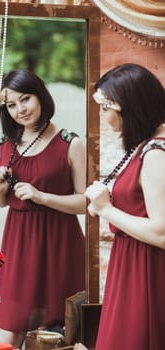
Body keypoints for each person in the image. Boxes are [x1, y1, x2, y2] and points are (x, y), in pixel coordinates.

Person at [0, 68, 86, 348]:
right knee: (10, 326)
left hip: (60, 243)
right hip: (18, 243)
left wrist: (43, 197)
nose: (20, 109)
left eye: (26, 99)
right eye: (11, 105)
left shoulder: (70, 142)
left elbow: (84, 202)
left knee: (52, 331)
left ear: (41, 95)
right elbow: (1, 202)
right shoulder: (6, 144)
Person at [85, 63, 165, 350]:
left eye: (106, 107)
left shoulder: (156, 153)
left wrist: (107, 209)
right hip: (132, 261)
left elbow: (161, 233)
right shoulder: (146, 145)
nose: (102, 115)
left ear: (130, 108)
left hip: (147, 268)